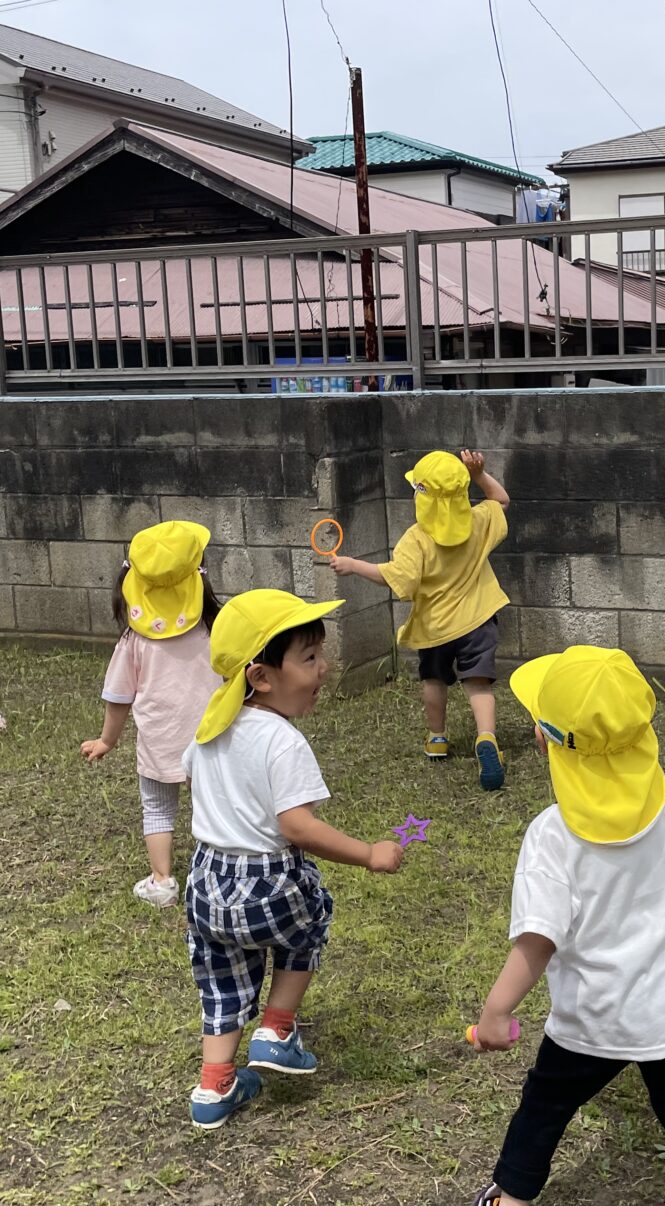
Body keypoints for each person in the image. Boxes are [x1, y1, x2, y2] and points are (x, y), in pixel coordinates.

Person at [466, 645, 665, 1206]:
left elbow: (537, 941)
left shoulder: (552, 835)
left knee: (547, 1104)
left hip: (592, 1018)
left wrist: (495, 1011)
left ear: (543, 740)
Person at [178, 589, 405, 1128]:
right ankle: (277, 1029)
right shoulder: (282, 741)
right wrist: (369, 853)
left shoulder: (211, 728)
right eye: (309, 658)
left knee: (224, 980)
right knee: (308, 921)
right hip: (267, 880)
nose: (324, 668)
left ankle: (214, 1087)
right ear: (261, 677)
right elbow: (297, 827)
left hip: (207, 882)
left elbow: (189, 776)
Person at [329, 449, 510, 791]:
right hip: (478, 621)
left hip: (436, 629)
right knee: (479, 685)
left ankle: (437, 738)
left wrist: (353, 566)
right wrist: (479, 476)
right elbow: (501, 501)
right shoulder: (478, 520)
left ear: (423, 498)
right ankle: (486, 738)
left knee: (434, 681)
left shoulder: (416, 539)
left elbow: (395, 578)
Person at [81, 520, 221, 908]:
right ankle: (215, 875)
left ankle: (162, 882)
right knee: (212, 808)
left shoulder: (135, 640)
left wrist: (107, 740)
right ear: (199, 577)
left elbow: (118, 697)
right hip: (211, 741)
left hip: (159, 743)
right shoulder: (215, 629)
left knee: (157, 808)